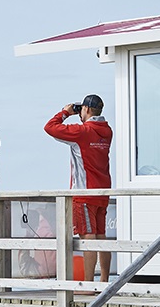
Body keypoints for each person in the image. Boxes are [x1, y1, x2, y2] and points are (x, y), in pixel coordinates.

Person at [44, 94, 113, 282]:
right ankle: (105, 281)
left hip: (84, 193)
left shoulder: (82, 132)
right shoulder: (107, 131)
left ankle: (89, 284)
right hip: (103, 190)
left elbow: (50, 128)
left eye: (82, 109)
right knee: (101, 237)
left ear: (88, 110)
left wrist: (65, 113)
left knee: (88, 238)